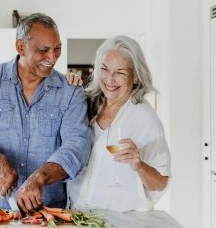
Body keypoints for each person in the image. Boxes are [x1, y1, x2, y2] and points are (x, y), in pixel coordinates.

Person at [0, 13, 92, 212]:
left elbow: (76, 147)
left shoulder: (71, 91)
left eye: (57, 49)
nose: (52, 58)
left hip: (50, 213)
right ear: (20, 47)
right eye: (43, 50)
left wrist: (40, 177)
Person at [67, 35, 171, 212]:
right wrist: (66, 86)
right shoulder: (86, 102)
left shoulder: (145, 118)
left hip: (120, 220)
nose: (110, 79)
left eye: (120, 72)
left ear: (136, 77)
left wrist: (139, 165)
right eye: (105, 69)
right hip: (77, 214)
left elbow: (160, 183)